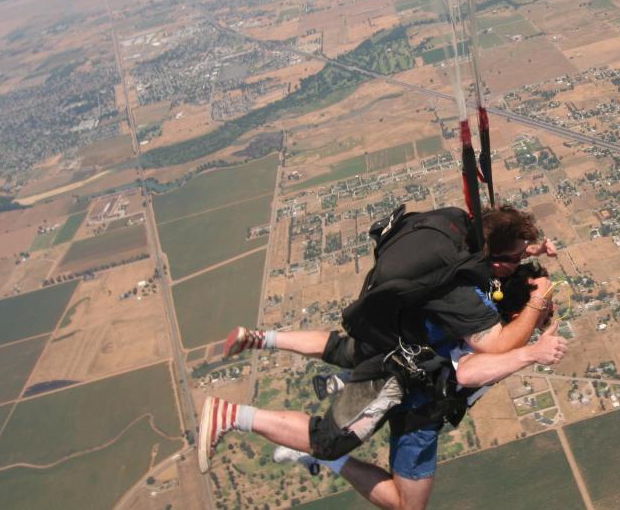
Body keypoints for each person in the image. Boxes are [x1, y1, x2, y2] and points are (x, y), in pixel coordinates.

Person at [198, 206, 560, 486]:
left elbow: (501, 239)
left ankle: (262, 338)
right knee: (328, 441)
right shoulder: (459, 292)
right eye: (516, 259)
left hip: (388, 329)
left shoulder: (460, 232)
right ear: (496, 259)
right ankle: (231, 416)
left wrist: (533, 250)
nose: (520, 263)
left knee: (341, 349)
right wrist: (536, 314)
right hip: (392, 370)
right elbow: (495, 346)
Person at [274, 264, 565, 510]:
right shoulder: (498, 340)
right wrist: (531, 353)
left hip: (410, 391)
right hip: (421, 413)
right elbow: (467, 373)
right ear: (519, 314)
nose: (550, 304)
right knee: (407, 505)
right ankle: (323, 454)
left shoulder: (486, 317)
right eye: (545, 301)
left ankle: (320, 436)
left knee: (340, 350)